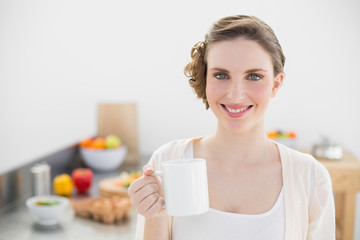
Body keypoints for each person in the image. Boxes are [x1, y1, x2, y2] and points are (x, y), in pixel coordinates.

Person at [128, 15, 335, 240]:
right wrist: (154, 216)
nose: (235, 95)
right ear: (205, 79)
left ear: (276, 84)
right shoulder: (168, 161)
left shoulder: (310, 177)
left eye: (254, 76)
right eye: (221, 75)